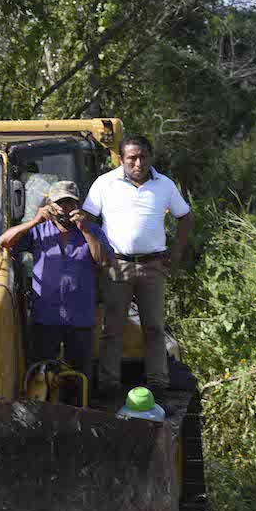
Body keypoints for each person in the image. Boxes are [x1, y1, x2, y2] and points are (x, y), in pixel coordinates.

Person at [82, 135, 194, 393]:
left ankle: (158, 383)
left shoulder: (164, 185)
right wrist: (98, 253)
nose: (138, 162)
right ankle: (109, 384)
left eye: (143, 156)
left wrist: (175, 254)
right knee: (112, 329)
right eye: (132, 157)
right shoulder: (105, 184)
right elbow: (86, 219)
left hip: (153, 266)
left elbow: (186, 218)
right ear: (121, 159)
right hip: (116, 266)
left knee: (154, 329)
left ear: (150, 157)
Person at [0, 180, 111, 378]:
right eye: (61, 203)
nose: (65, 209)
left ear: (78, 205)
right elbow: (5, 241)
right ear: (50, 204)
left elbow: (104, 261)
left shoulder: (92, 230)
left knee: (80, 374)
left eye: (70, 203)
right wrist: (34, 221)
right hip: (46, 316)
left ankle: (78, 407)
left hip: (80, 316)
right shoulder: (38, 230)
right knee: (42, 373)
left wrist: (84, 230)